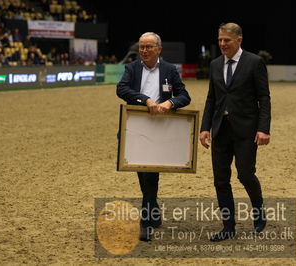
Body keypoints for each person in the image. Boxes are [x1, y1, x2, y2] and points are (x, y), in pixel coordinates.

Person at [200, 23, 271, 242]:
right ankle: (228, 227)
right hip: (220, 130)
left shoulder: (254, 62)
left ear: (239, 40)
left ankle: (259, 213)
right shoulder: (214, 64)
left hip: (246, 131)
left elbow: (264, 98)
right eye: (220, 40)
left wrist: (263, 128)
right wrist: (204, 127)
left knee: (245, 174)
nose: (222, 44)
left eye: (226, 40)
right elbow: (212, 98)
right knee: (220, 180)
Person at [116, 32, 191, 241]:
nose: (144, 51)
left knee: (151, 176)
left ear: (159, 49)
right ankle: (154, 209)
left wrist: (170, 103)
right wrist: (145, 100)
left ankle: (146, 221)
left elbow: (185, 96)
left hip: (160, 132)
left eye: (149, 47)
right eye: (141, 47)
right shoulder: (131, 68)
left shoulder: (170, 70)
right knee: (143, 175)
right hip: (135, 130)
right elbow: (121, 89)